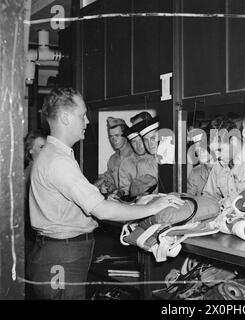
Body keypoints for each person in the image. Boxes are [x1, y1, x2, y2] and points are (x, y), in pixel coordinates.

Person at [27, 87, 184, 300]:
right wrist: (152, 207)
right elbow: (100, 210)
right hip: (62, 256)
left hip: (59, 252)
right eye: (82, 116)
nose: (87, 122)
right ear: (65, 118)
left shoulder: (54, 154)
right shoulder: (58, 161)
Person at [94, 117, 135, 196]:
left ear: (125, 135)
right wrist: (106, 187)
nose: (113, 139)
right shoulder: (113, 159)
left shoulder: (136, 155)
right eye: (111, 136)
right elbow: (110, 180)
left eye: (117, 135)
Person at [24, 131, 47, 256]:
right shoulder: (32, 171)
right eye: (41, 147)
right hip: (34, 230)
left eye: (46, 147)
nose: (45, 151)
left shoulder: (38, 169)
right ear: (30, 150)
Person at [128, 115, 160, 197]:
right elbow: (140, 196)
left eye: (153, 138)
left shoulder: (177, 160)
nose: (149, 144)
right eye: (146, 140)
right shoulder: (142, 164)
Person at [186, 128, 215, 196]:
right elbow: (189, 196)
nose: (198, 150)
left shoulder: (224, 171)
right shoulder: (195, 172)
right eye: (196, 151)